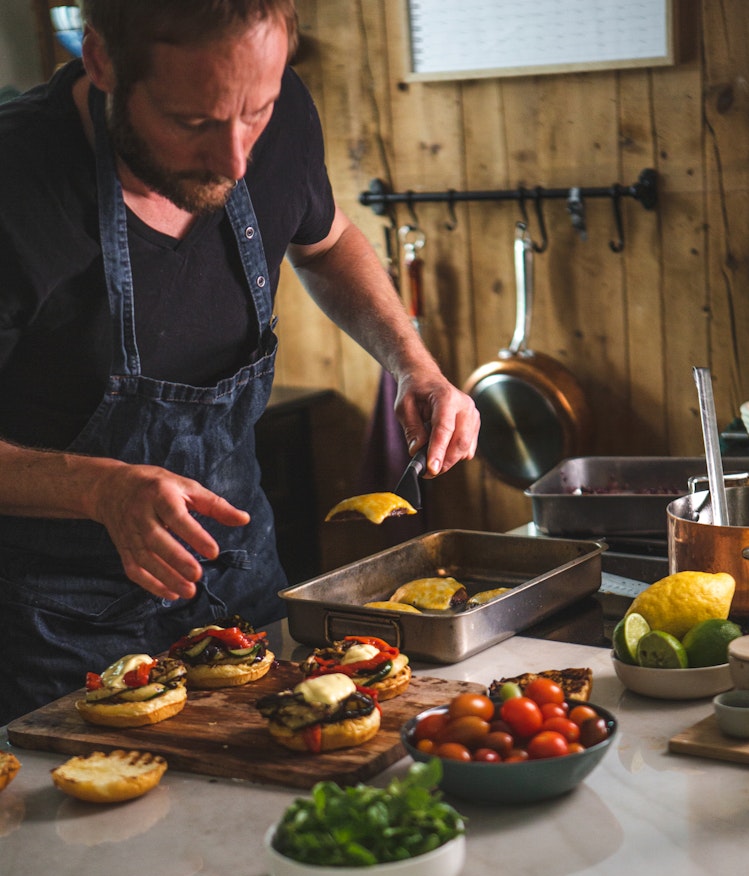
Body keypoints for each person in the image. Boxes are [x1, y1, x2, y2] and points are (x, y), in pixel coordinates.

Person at [0, 0, 480, 724]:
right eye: (192, 122)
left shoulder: (279, 112)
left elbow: (325, 238)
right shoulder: (15, 185)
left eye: (254, 112)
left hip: (240, 580)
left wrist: (413, 362)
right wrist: (99, 489)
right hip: (55, 622)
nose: (235, 159)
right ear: (101, 62)